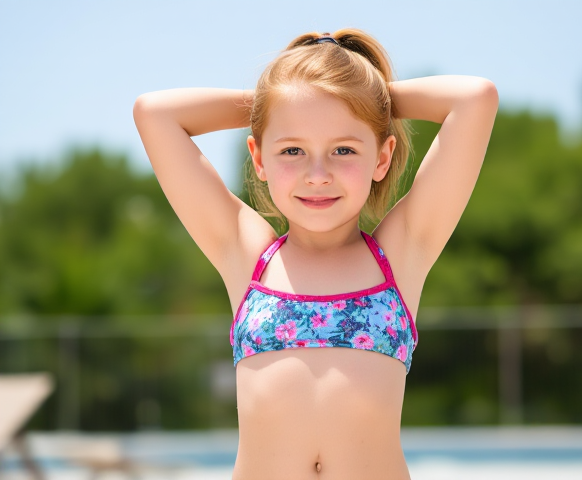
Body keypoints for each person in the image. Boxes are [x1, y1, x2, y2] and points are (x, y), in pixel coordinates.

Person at [133, 28, 498, 480]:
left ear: (382, 158)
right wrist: (280, 98)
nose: (318, 174)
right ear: (259, 158)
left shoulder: (402, 253)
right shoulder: (247, 255)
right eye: (292, 149)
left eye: (344, 148)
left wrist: (360, 93)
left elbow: (475, 99)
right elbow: (155, 114)